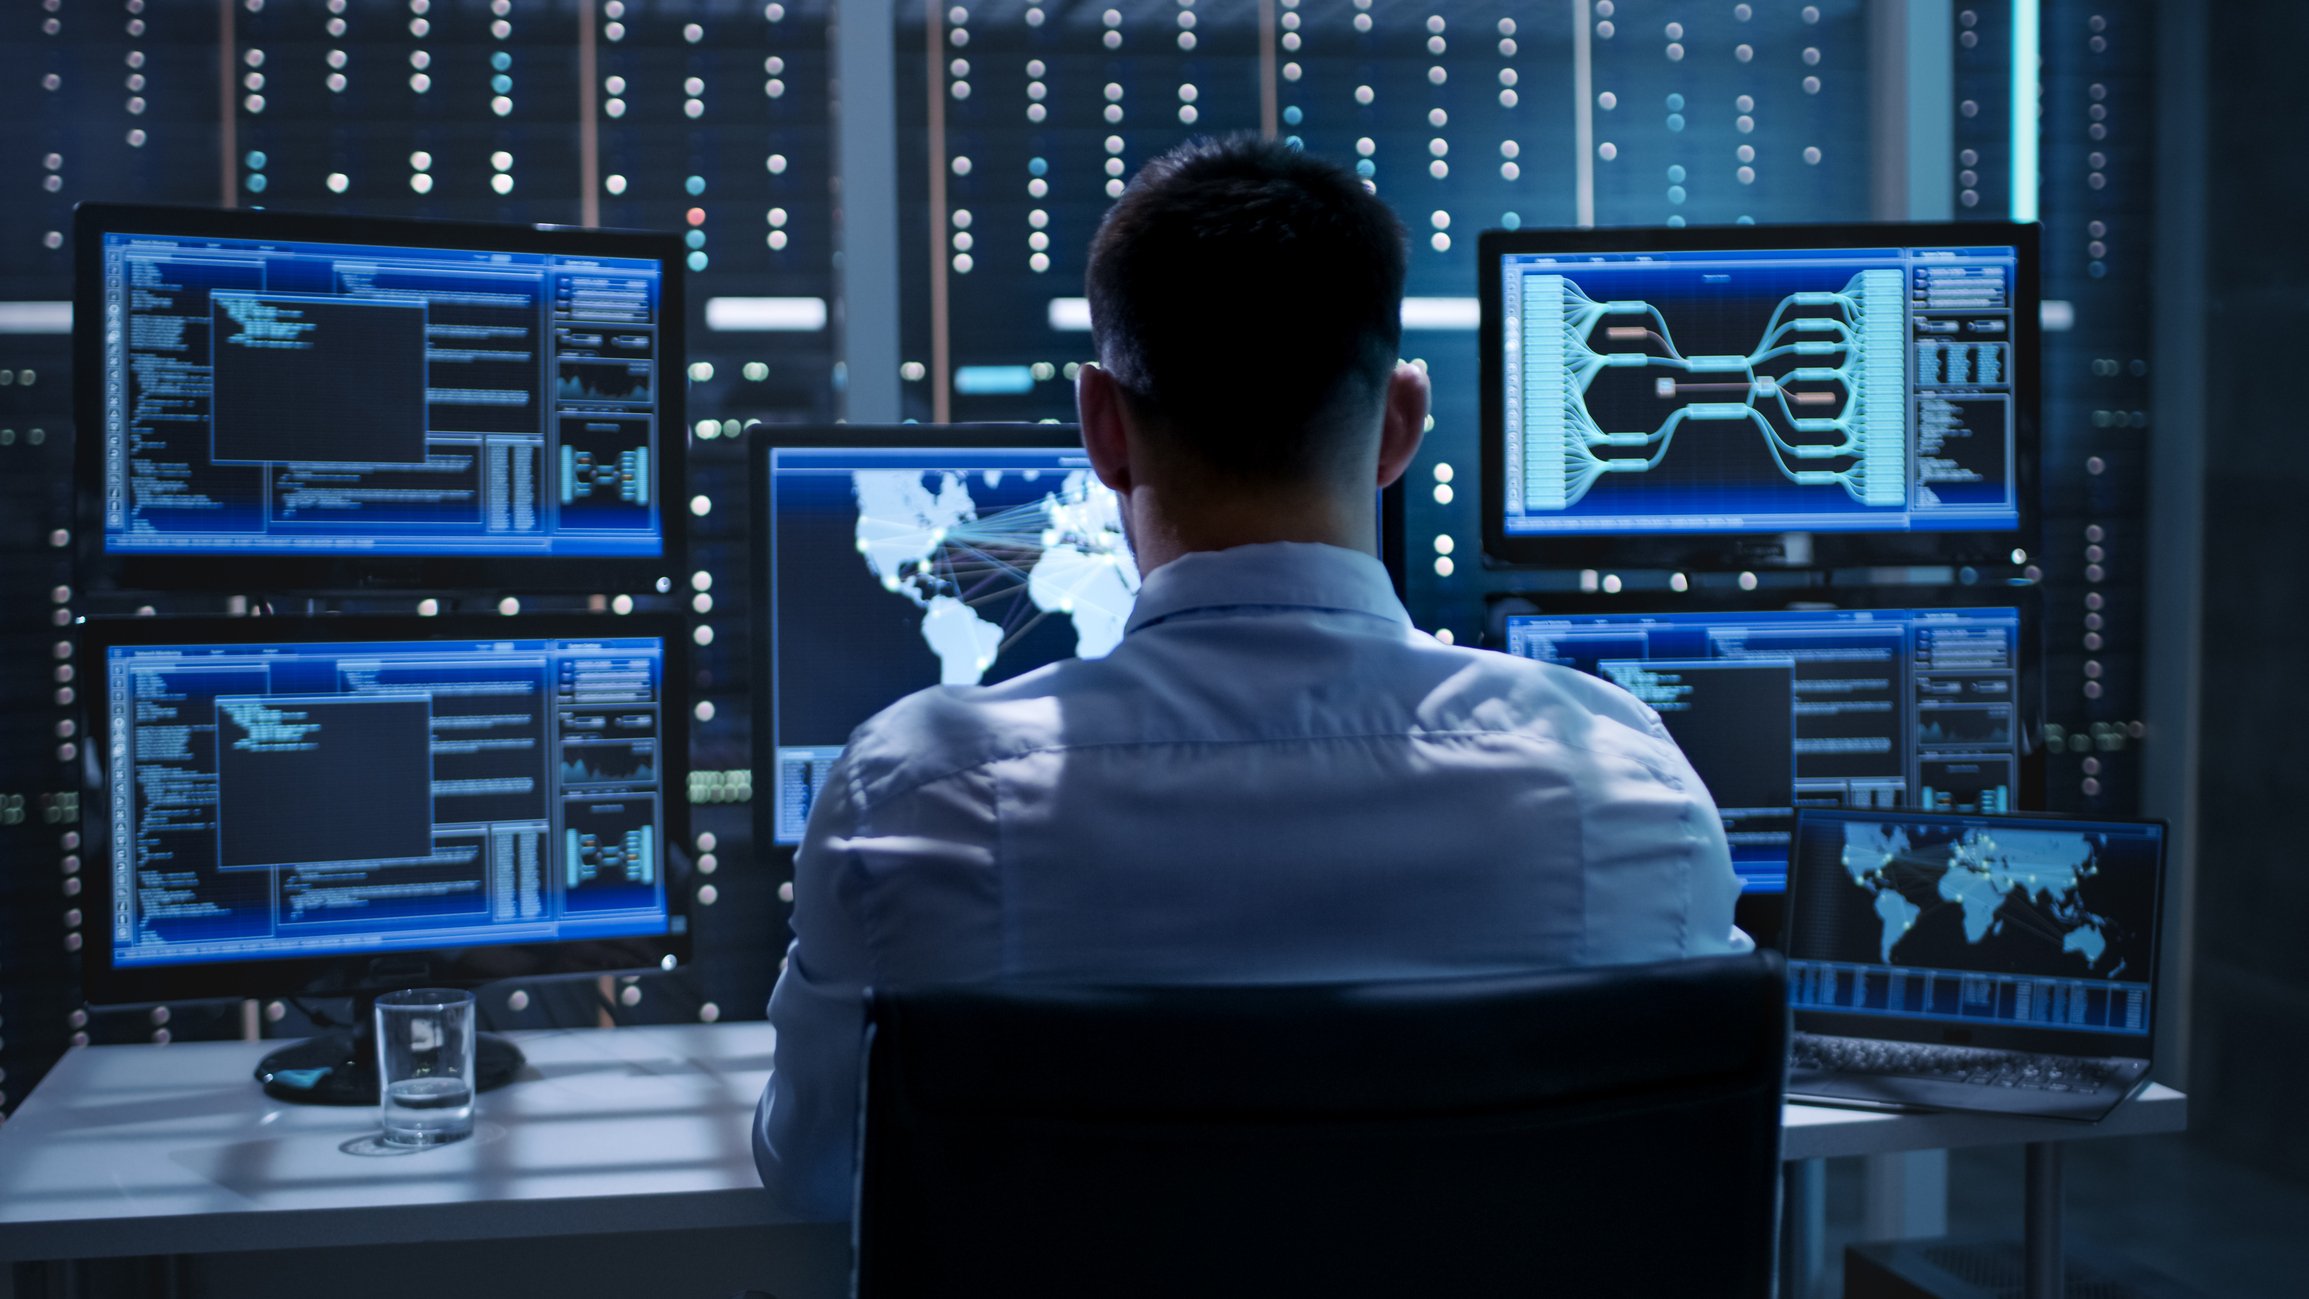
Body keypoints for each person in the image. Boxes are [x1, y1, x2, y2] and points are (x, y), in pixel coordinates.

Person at [753, 135, 1746, 1219]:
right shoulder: (1622, 780)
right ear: (1401, 426)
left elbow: (813, 1172)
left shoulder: (916, 794)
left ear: (1101, 426)